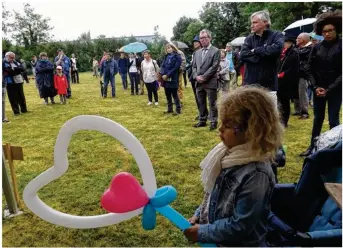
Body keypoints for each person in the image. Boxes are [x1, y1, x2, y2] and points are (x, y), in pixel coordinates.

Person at [184, 86, 283, 246]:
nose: (220, 128)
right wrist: (199, 214)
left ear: (252, 130)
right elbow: (212, 195)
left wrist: (203, 232)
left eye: (228, 126)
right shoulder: (227, 156)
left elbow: (242, 225)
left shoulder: (256, 174)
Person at [300, 10, 342, 157]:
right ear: (320, 32)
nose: (327, 34)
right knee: (317, 119)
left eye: (331, 30)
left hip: (335, 90)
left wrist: (329, 89)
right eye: (324, 31)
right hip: (318, 89)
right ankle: (312, 146)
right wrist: (315, 86)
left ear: (337, 30)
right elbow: (308, 68)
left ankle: (336, 150)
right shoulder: (316, 47)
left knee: (333, 120)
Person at [240, 10, 284, 91]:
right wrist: (264, 56)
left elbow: (277, 49)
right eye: (251, 23)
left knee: (270, 104)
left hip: (269, 86)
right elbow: (243, 54)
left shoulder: (276, 35)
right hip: (250, 85)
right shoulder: (249, 38)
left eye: (255, 22)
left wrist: (256, 50)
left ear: (265, 22)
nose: (251, 26)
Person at [192, 29, 220, 131]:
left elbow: (214, 66)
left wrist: (204, 77)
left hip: (210, 81)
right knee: (201, 102)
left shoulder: (216, 51)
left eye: (204, 38)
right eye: (201, 38)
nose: (202, 40)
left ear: (209, 38)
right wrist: (196, 77)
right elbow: (194, 67)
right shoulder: (197, 52)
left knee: (212, 103)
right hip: (198, 82)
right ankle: (202, 120)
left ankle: (213, 122)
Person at [277, 35, 300, 127]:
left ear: (290, 43)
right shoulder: (282, 52)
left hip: (288, 81)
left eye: (285, 43)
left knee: (285, 102)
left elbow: (294, 68)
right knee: (280, 101)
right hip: (279, 81)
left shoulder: (294, 53)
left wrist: (283, 74)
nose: (284, 44)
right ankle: (280, 119)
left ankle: (284, 121)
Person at [2, 51, 28, 115]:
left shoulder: (15, 62)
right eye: (11, 57)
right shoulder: (3, 62)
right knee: (13, 97)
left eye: (13, 57)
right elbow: (9, 71)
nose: (13, 59)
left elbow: (22, 69)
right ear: (7, 56)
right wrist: (15, 70)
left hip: (18, 81)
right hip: (10, 82)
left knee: (21, 96)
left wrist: (14, 69)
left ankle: (24, 110)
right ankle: (16, 112)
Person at [293, 32, 312, 119]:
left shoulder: (309, 48)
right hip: (296, 73)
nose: (296, 40)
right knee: (295, 93)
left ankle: (305, 112)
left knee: (302, 93)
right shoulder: (298, 48)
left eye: (298, 38)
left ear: (303, 40)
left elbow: (299, 54)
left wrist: (294, 49)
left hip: (303, 75)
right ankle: (297, 110)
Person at [160, 43, 182, 115]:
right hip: (165, 79)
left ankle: (178, 110)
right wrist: (163, 74)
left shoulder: (177, 56)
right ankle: (170, 109)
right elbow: (162, 66)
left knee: (175, 95)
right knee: (167, 94)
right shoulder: (166, 56)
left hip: (173, 78)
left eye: (169, 47)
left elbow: (176, 68)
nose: (168, 49)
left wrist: (168, 75)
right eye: (167, 48)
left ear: (173, 48)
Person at [188, 35, 205, 121]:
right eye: (194, 42)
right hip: (193, 77)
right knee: (197, 97)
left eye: (196, 42)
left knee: (202, 97)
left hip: (200, 77)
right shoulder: (194, 53)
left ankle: (204, 114)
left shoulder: (203, 52)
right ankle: (201, 113)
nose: (194, 43)